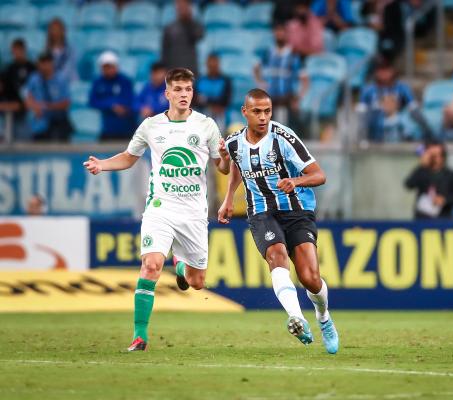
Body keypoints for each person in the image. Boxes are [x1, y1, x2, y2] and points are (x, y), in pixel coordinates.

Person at [83, 68, 231, 352]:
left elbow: (221, 167)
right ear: (167, 93)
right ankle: (140, 336)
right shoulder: (151, 126)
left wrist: (224, 156)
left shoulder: (206, 125)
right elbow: (129, 157)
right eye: (178, 89)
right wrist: (102, 165)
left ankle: (182, 264)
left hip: (193, 214)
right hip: (160, 208)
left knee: (197, 283)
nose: (184, 94)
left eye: (188, 89)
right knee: (150, 265)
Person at [217, 88, 339, 355]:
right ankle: (297, 318)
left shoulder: (284, 137)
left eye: (267, 111)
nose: (263, 117)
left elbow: (319, 175)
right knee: (277, 255)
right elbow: (231, 167)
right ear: (245, 112)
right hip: (261, 210)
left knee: (310, 278)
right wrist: (228, 199)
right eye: (257, 112)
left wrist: (295, 180)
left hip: (297, 210)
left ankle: (324, 318)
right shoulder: (234, 142)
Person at [357, 60, 431, 141]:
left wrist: (427, 129)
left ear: (392, 71)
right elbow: (361, 113)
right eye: (380, 70)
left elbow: (414, 109)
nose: (383, 74)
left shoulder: (402, 88)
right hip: (375, 127)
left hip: (397, 126)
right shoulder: (368, 90)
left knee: (407, 119)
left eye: (386, 70)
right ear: (376, 73)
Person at [254, 22, 303, 128]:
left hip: (287, 98)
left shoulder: (293, 54)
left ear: (286, 34)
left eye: (282, 32)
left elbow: (304, 78)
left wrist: (298, 97)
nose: (279, 35)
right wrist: (261, 83)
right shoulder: (268, 52)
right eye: (277, 32)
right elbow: (256, 68)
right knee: (270, 130)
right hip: (271, 100)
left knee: (288, 131)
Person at [404, 141, 453, 219]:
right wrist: (422, 166)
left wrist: (444, 200)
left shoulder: (450, 174)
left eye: (438, 155)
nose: (435, 158)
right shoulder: (422, 171)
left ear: (443, 157)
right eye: (432, 155)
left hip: (443, 218)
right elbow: (409, 185)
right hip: (422, 217)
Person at [24, 53, 72, 142]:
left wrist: (47, 106)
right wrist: (35, 107)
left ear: (52, 63)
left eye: (47, 63)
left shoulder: (61, 79)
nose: (44, 66)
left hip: (58, 122)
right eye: (42, 63)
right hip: (40, 123)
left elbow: (66, 102)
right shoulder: (34, 79)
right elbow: (27, 96)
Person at [89, 51, 136, 141]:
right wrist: (111, 105)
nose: (108, 70)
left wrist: (120, 106)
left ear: (116, 66)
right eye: (105, 67)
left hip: (125, 127)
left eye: (110, 66)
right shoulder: (98, 82)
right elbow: (93, 101)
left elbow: (129, 100)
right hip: (107, 128)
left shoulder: (125, 81)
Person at [2, 39, 36, 140]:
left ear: (24, 50)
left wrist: (27, 102)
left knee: (25, 138)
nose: (17, 53)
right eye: (14, 51)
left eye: (19, 50)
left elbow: (35, 89)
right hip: (11, 108)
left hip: (28, 108)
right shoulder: (9, 69)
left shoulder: (32, 68)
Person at [161, 0, 203, 75]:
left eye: (184, 5)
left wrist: (188, 21)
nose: (182, 8)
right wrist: (164, 69)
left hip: (191, 70)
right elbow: (165, 51)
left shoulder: (194, 25)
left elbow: (199, 36)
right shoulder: (169, 28)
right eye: (179, 5)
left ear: (189, 7)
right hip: (173, 70)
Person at [195, 54, 231, 131]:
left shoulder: (225, 80)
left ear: (218, 64)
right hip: (203, 113)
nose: (212, 66)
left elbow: (225, 100)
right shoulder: (200, 80)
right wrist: (211, 103)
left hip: (220, 114)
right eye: (210, 64)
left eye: (215, 64)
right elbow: (196, 100)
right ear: (207, 64)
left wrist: (206, 99)